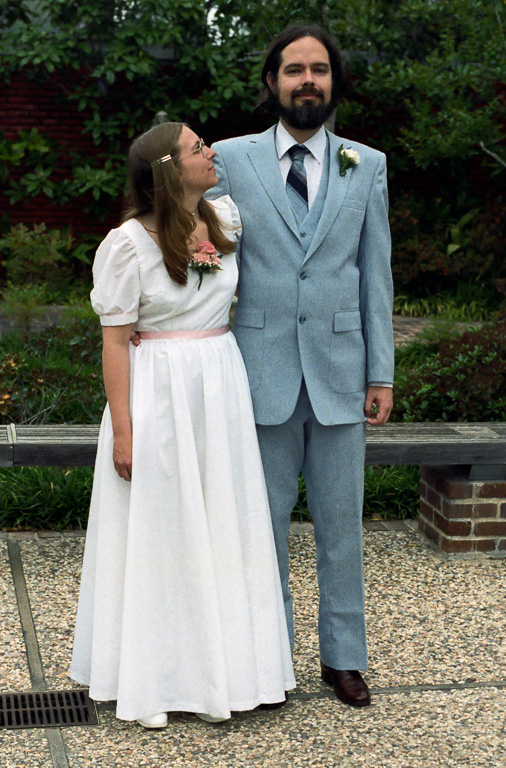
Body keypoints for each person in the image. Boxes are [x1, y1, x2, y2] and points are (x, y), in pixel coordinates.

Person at [70, 122, 295, 729]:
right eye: (199, 147)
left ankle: (230, 669)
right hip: (157, 393)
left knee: (222, 521)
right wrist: (125, 431)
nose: (212, 152)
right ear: (170, 167)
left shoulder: (223, 220)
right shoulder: (127, 244)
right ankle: (160, 674)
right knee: (162, 533)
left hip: (218, 387)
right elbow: (114, 342)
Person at [206, 25, 394, 708]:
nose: (306, 80)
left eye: (318, 70)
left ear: (334, 83)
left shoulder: (364, 164)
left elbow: (376, 275)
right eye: (293, 70)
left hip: (343, 374)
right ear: (272, 82)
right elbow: (199, 253)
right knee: (263, 529)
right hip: (258, 373)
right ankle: (270, 662)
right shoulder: (228, 159)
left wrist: (383, 373)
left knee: (342, 528)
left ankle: (343, 659)